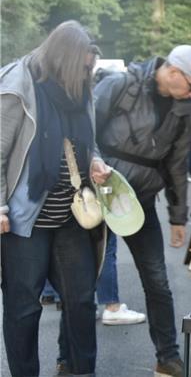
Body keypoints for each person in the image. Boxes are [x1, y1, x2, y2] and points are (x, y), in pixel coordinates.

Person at [90, 44, 191, 376]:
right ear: (174, 72)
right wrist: (92, 162)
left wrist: (178, 217)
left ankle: (167, 357)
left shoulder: (183, 109)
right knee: (79, 284)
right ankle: (70, 360)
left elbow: (176, 165)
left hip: (142, 201)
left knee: (158, 282)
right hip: (98, 194)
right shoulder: (120, 84)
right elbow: (83, 128)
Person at [0, 20, 112, 376]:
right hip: (24, 219)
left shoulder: (80, 90)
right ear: (64, 60)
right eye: (82, 67)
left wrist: (94, 160)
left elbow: (87, 140)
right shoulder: (18, 84)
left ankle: (81, 371)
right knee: (23, 308)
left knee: (80, 300)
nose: (86, 74)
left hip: (70, 215)